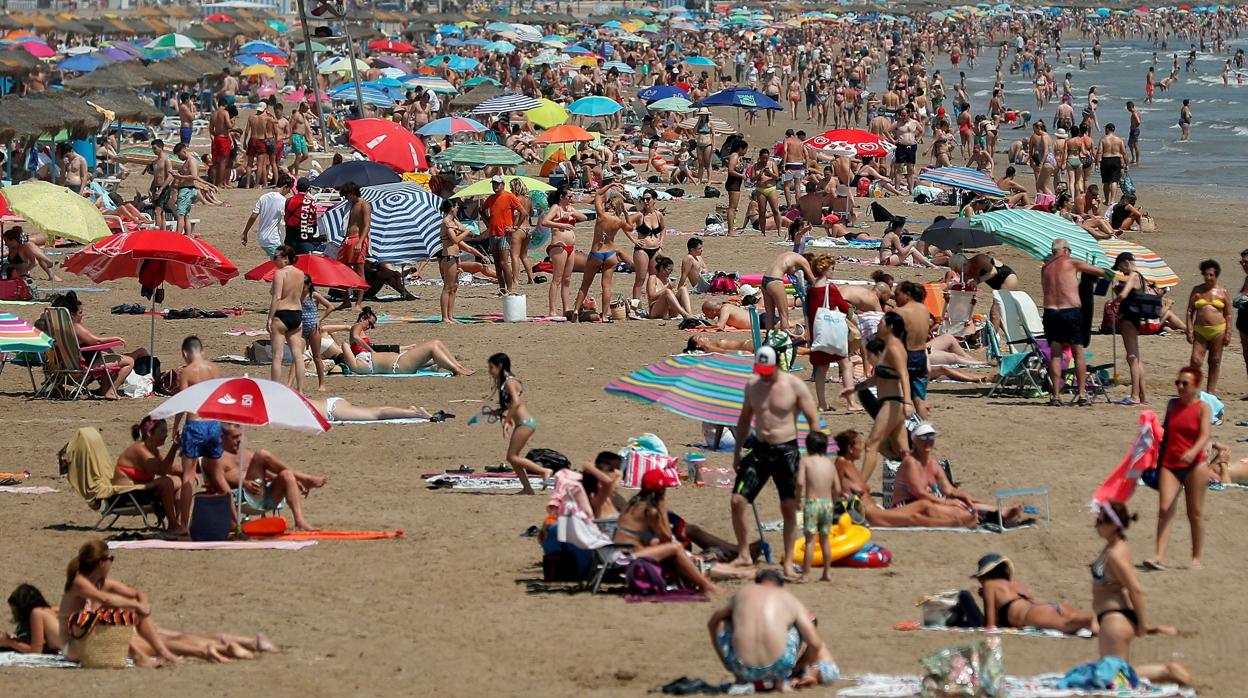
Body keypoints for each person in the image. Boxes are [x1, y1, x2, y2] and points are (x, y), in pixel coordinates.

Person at [729, 346, 821, 578]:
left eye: (767, 370)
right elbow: (744, 419)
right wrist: (737, 452)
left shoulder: (794, 385)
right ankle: (743, 554)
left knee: (789, 507)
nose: (764, 374)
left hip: (787, 451)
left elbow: (813, 420)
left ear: (777, 365)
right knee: (737, 500)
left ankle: (788, 561)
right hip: (760, 449)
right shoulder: (753, 385)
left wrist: (814, 457)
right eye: (760, 370)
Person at [1091, 502, 1190, 685]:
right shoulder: (1114, 546)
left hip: (1115, 620)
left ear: (1113, 525)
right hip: (1113, 618)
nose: (1095, 525)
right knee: (1111, 673)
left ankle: (1166, 671)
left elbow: (1135, 589)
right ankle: (1167, 671)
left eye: (1099, 521)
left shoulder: (1115, 554)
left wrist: (1143, 624)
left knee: (1113, 677)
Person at [58, 540, 181, 667]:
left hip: (85, 637)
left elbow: (135, 593)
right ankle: (139, 656)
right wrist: (137, 605)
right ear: (101, 563)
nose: (111, 562)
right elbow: (106, 599)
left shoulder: (99, 582)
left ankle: (163, 652)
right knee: (113, 614)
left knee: (126, 611)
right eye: (110, 558)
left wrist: (142, 605)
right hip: (72, 646)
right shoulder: (79, 582)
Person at [707, 570, 828, 690]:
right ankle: (779, 682)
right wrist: (801, 665)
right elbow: (816, 644)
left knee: (724, 620)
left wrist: (725, 662)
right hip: (779, 667)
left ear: (757, 582)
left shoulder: (742, 593)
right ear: (781, 585)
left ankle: (740, 679)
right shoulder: (790, 599)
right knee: (799, 622)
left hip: (741, 666)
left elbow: (712, 622)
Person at [1144, 366, 1212, 571]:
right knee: (1164, 509)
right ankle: (1158, 556)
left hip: (1195, 466)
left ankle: (1196, 557)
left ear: (1196, 386)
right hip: (1171, 463)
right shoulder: (1172, 405)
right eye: (1178, 383)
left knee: (1195, 512)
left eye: (1185, 384)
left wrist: (1194, 451)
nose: (1180, 387)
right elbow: (1165, 431)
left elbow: (1205, 435)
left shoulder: (1202, 408)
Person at [613, 470, 723, 594]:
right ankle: (706, 585)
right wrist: (662, 506)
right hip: (626, 558)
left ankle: (696, 578)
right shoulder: (650, 511)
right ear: (660, 490)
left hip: (619, 553)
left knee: (667, 547)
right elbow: (667, 537)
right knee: (675, 548)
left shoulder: (634, 503)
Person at [202, 423, 327, 531]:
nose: (239, 440)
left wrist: (293, 482)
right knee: (262, 454)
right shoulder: (215, 458)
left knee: (286, 475)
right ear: (222, 438)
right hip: (244, 498)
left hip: (265, 496)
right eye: (234, 437)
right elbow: (220, 482)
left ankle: (300, 521)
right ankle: (304, 478)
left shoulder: (245, 453)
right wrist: (244, 483)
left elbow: (267, 473)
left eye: (240, 436)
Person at [892, 421, 1022, 524]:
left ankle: (1000, 512)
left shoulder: (932, 463)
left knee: (967, 503)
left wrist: (965, 496)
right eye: (923, 437)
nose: (928, 440)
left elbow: (948, 489)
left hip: (924, 502)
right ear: (914, 441)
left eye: (931, 437)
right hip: (907, 506)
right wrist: (946, 502)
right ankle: (994, 516)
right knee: (954, 508)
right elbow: (918, 492)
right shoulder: (910, 462)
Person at [842, 313, 912, 484]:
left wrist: (908, 402)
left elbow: (904, 375)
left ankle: (859, 487)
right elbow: (878, 378)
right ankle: (919, 481)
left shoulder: (895, 348)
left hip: (893, 403)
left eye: (881, 322)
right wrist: (855, 388)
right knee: (903, 450)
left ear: (890, 327)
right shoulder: (889, 348)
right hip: (891, 403)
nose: (878, 325)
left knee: (872, 445)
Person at [36, 292, 145, 399]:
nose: (83, 314)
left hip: (60, 369)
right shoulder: (75, 326)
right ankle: (111, 392)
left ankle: (103, 389)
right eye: (80, 312)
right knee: (129, 361)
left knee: (107, 354)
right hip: (79, 370)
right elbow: (96, 341)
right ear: (72, 314)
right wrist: (116, 339)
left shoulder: (55, 327)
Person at [1040, 239, 1108, 406]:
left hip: (1050, 312)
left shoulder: (1045, 268)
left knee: (1055, 355)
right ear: (1066, 250)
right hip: (1070, 311)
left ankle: (1055, 395)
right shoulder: (1071, 262)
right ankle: (1083, 394)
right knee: (1078, 353)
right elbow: (1100, 272)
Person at [973, 553, 1092, 632]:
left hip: (1031, 614)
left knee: (1067, 624)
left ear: (985, 575)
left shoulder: (990, 585)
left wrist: (986, 598)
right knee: (1079, 616)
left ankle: (1090, 621)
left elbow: (990, 625)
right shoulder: (1017, 584)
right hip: (1043, 606)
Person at [114, 417, 193, 535]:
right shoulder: (139, 449)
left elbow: (172, 469)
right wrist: (174, 447)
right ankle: (172, 524)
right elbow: (162, 470)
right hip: (124, 494)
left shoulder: (153, 450)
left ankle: (178, 522)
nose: (166, 435)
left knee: (180, 481)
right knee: (166, 482)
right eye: (162, 432)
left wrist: (190, 472)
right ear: (150, 433)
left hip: (138, 491)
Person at [486, 353, 550, 495]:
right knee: (513, 457)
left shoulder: (510, 381)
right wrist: (498, 413)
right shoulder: (507, 382)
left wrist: (507, 420)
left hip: (525, 423)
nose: (490, 371)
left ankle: (544, 471)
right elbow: (511, 405)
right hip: (522, 423)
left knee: (512, 457)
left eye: (491, 367)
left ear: (500, 366)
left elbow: (516, 402)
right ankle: (527, 488)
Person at [804, 253, 858, 412]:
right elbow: (844, 307)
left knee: (821, 368)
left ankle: (822, 403)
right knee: (845, 364)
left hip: (818, 333)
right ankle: (851, 402)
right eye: (832, 269)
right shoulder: (830, 288)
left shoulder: (811, 289)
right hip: (832, 333)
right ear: (825, 269)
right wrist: (859, 323)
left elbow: (808, 312)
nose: (833, 272)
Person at [573, 182, 626, 319]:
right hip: (610, 254)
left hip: (597, 252)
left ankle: (576, 311)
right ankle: (605, 315)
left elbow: (597, 193)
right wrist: (625, 212)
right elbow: (631, 227)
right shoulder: (618, 221)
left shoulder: (602, 215)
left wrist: (611, 184)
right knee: (607, 286)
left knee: (585, 284)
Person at [795, 432, 840, 583]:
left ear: (808, 447)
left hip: (812, 503)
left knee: (809, 541)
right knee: (825, 540)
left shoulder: (806, 461)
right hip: (827, 504)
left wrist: (797, 499)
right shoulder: (830, 463)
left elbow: (800, 482)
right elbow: (838, 488)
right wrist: (833, 501)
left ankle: (806, 574)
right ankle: (827, 572)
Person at [1185, 259, 1232, 394]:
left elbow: (1228, 314)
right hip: (1200, 330)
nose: (1208, 277)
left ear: (1216, 275)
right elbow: (1189, 311)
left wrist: (1228, 332)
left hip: (1218, 330)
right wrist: (1188, 329)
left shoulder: (1223, 292)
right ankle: (1193, 388)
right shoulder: (1197, 291)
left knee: (1215, 360)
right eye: (1206, 274)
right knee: (1195, 360)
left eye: (1211, 275)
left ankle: (1210, 391)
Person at [334, 332, 471, 376]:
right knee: (433, 346)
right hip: (399, 364)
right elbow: (345, 345)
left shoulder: (358, 362)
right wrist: (338, 354)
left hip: (400, 360)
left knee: (437, 343)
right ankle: (456, 369)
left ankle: (458, 366)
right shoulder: (356, 366)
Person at [267, 245, 307, 394]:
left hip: (282, 313)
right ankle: (301, 390)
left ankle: (275, 390)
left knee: (277, 356)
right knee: (298, 355)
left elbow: (276, 297)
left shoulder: (280, 273)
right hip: (297, 314)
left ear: (285, 258)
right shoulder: (301, 273)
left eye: (275, 257)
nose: (273, 260)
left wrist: (270, 318)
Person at [1111, 253, 1150, 406]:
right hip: (1136, 318)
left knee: (1131, 357)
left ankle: (1134, 396)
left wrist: (1114, 301)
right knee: (1137, 357)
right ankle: (1142, 394)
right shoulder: (1141, 277)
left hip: (1128, 318)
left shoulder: (1133, 275)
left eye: (1120, 267)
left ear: (1126, 263)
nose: (1121, 271)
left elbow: (1124, 295)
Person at [893, 282, 934, 418]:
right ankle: (925, 431)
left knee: (899, 396)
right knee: (919, 400)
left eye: (897, 294)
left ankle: (900, 432)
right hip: (921, 355)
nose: (894, 297)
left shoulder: (899, 312)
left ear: (907, 295)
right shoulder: (924, 310)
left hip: (905, 355)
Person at [482, 175, 522, 294]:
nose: (495, 186)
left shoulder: (509, 196)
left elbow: (523, 212)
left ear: (503, 185)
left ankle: (509, 288)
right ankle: (502, 288)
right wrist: (488, 220)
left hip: (504, 234)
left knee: (504, 263)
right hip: (493, 233)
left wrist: (515, 227)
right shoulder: (491, 198)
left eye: (497, 184)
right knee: (498, 264)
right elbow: (482, 209)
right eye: (494, 184)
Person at [337, 182, 372, 311]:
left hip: (358, 239)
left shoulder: (364, 205)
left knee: (359, 270)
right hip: (347, 239)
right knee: (341, 269)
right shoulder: (350, 205)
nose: (346, 198)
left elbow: (367, 225)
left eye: (346, 195)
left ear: (352, 193)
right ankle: (346, 300)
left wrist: (360, 242)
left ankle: (358, 303)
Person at [761, 251, 814, 332]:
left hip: (765, 281)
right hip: (775, 281)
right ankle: (786, 338)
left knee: (769, 315)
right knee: (784, 315)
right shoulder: (803, 261)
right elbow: (812, 279)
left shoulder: (790, 255)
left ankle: (768, 338)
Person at [241, 174, 291, 258]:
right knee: (283, 263)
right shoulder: (283, 201)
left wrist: (245, 232)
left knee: (279, 262)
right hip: (273, 239)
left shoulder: (263, 197)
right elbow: (287, 220)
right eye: (289, 189)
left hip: (262, 238)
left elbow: (253, 216)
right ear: (285, 186)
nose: (289, 192)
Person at [630, 188, 666, 304]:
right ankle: (636, 306)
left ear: (654, 200)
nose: (645, 201)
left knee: (654, 278)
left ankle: (653, 304)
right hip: (642, 250)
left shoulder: (658, 214)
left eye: (648, 199)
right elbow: (624, 225)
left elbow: (663, 228)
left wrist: (661, 241)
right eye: (643, 199)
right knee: (640, 279)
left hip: (656, 249)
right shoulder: (639, 215)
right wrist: (634, 240)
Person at [296, 277, 333, 391]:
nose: (300, 287)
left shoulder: (314, 295)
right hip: (300, 328)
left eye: (303, 285)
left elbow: (330, 307)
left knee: (317, 357)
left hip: (313, 327)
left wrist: (319, 319)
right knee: (298, 356)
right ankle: (298, 385)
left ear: (308, 285)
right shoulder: (296, 295)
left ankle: (322, 384)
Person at [310, 397, 433, 423]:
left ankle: (415, 413)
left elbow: (323, 417)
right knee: (375, 410)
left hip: (332, 410)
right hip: (332, 403)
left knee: (376, 414)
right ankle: (407, 410)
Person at [646, 255, 696, 320]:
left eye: (671, 270)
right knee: (667, 292)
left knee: (683, 289)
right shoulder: (653, 278)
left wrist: (674, 292)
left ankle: (689, 314)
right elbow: (651, 296)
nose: (670, 272)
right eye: (669, 270)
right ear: (661, 268)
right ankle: (685, 314)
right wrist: (667, 288)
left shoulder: (668, 280)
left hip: (670, 310)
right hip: (656, 309)